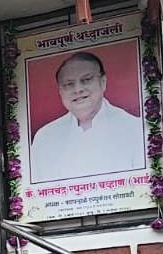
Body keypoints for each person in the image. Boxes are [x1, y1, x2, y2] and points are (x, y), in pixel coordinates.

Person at [30, 51, 145, 183]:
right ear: (60, 91)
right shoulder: (45, 137)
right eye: (69, 84)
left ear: (103, 82)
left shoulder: (135, 129)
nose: (78, 89)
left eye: (86, 80)